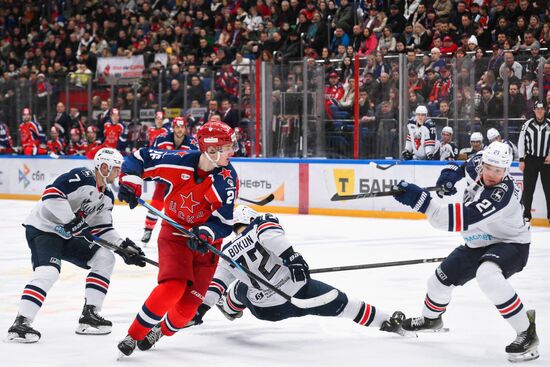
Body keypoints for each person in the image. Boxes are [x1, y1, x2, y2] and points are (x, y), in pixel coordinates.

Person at [136, 205, 408, 351]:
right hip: (300, 291)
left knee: (237, 291)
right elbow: (272, 237)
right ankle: (388, 321)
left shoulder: (225, 252)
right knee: (345, 303)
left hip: (267, 309)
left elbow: (212, 290)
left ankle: (231, 309)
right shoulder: (261, 224)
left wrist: (200, 310)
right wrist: (293, 259)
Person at [392, 142, 538, 363]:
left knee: (487, 274)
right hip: (478, 242)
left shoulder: (501, 194)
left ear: (506, 170)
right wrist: (448, 177)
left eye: (498, 171)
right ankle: (431, 320)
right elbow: (459, 166)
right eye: (489, 168)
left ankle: (527, 332)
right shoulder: (479, 162)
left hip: (511, 244)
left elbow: (455, 220)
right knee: (438, 281)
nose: (491, 174)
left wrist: (420, 201)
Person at [116, 121, 239, 356]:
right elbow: (140, 158)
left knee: (187, 310)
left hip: (207, 247)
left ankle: (158, 331)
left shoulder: (227, 178)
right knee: (173, 287)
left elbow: (224, 223)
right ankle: (133, 336)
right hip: (175, 234)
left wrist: (206, 234)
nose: (232, 152)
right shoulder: (179, 160)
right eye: (227, 147)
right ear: (211, 150)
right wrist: (130, 180)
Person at [6, 148, 146, 343]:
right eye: (116, 168)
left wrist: (123, 247)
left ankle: (90, 316)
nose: (118, 173)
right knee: (48, 271)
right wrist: (72, 221)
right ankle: (20, 323)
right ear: (104, 167)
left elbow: (102, 228)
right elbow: (51, 196)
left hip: (68, 236)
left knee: (105, 258)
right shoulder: (81, 176)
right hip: (43, 229)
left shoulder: (106, 197)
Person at [141, 116, 199, 244]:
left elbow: (197, 162)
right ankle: (148, 229)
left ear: (186, 128)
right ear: (173, 128)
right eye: (177, 127)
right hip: (164, 178)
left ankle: (184, 231)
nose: (179, 130)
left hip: (183, 181)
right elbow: (153, 155)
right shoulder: (161, 139)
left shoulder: (193, 143)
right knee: (156, 203)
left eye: (182, 127)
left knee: (184, 207)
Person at [518, 101, 550, 222]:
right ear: (534, 110)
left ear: (545, 110)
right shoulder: (527, 125)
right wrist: (521, 159)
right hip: (531, 159)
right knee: (528, 189)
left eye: (542, 109)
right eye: (537, 109)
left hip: (546, 161)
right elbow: (521, 142)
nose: (540, 111)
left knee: (548, 189)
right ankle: (527, 214)